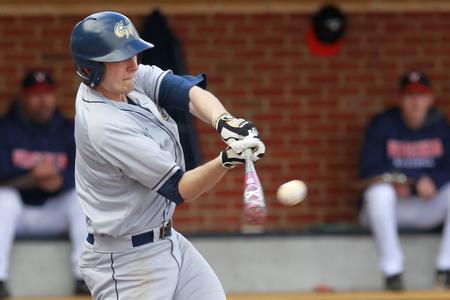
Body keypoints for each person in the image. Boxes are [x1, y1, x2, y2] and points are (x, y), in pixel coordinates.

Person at [70, 11, 265, 300]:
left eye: (133, 54)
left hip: (167, 240)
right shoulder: (105, 126)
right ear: (90, 70)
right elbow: (180, 188)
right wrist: (226, 160)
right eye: (120, 58)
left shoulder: (121, 81)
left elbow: (182, 91)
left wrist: (224, 121)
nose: (133, 64)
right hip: (127, 264)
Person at [0, 70, 90, 298]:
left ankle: (83, 277)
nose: (42, 101)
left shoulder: (69, 130)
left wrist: (61, 180)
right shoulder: (6, 129)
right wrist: (33, 176)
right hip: (17, 213)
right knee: (3, 199)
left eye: (47, 94)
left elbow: (87, 172)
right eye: (35, 94)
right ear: (23, 97)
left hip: (55, 213)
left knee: (81, 198)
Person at [359, 70, 450, 291]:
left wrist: (433, 181)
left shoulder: (441, 127)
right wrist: (407, 181)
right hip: (383, 211)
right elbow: (368, 168)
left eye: (421, 95)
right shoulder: (383, 124)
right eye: (410, 95)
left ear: (430, 98)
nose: (415, 102)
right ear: (400, 99)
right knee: (379, 192)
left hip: (425, 208)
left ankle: (445, 270)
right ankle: (393, 272)